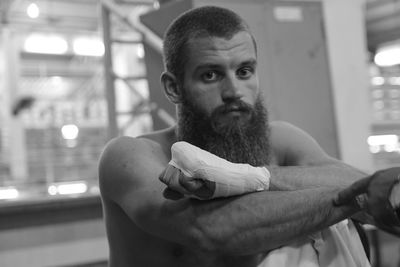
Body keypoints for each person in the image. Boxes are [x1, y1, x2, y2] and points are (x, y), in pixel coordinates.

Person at [98, 5, 399, 267]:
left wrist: (249, 177)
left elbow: (362, 183)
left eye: (244, 72)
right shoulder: (130, 157)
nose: (233, 92)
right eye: (210, 75)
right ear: (173, 88)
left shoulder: (281, 141)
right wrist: (349, 200)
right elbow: (211, 229)